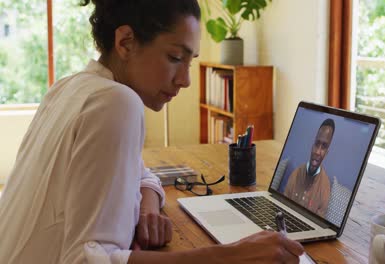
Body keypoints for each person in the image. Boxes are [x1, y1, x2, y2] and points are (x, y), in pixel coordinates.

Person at [0, 1, 304, 263]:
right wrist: (232, 256)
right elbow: (86, 260)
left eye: (190, 61)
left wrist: (147, 206)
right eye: (174, 58)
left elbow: (140, 171)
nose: (185, 80)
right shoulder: (117, 102)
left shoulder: (69, 87)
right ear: (126, 42)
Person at [284, 119, 335, 217]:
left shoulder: (325, 188)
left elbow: (318, 226)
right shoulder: (296, 173)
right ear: (312, 146)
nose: (317, 151)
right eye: (317, 144)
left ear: (327, 153)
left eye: (323, 147)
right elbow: (283, 206)